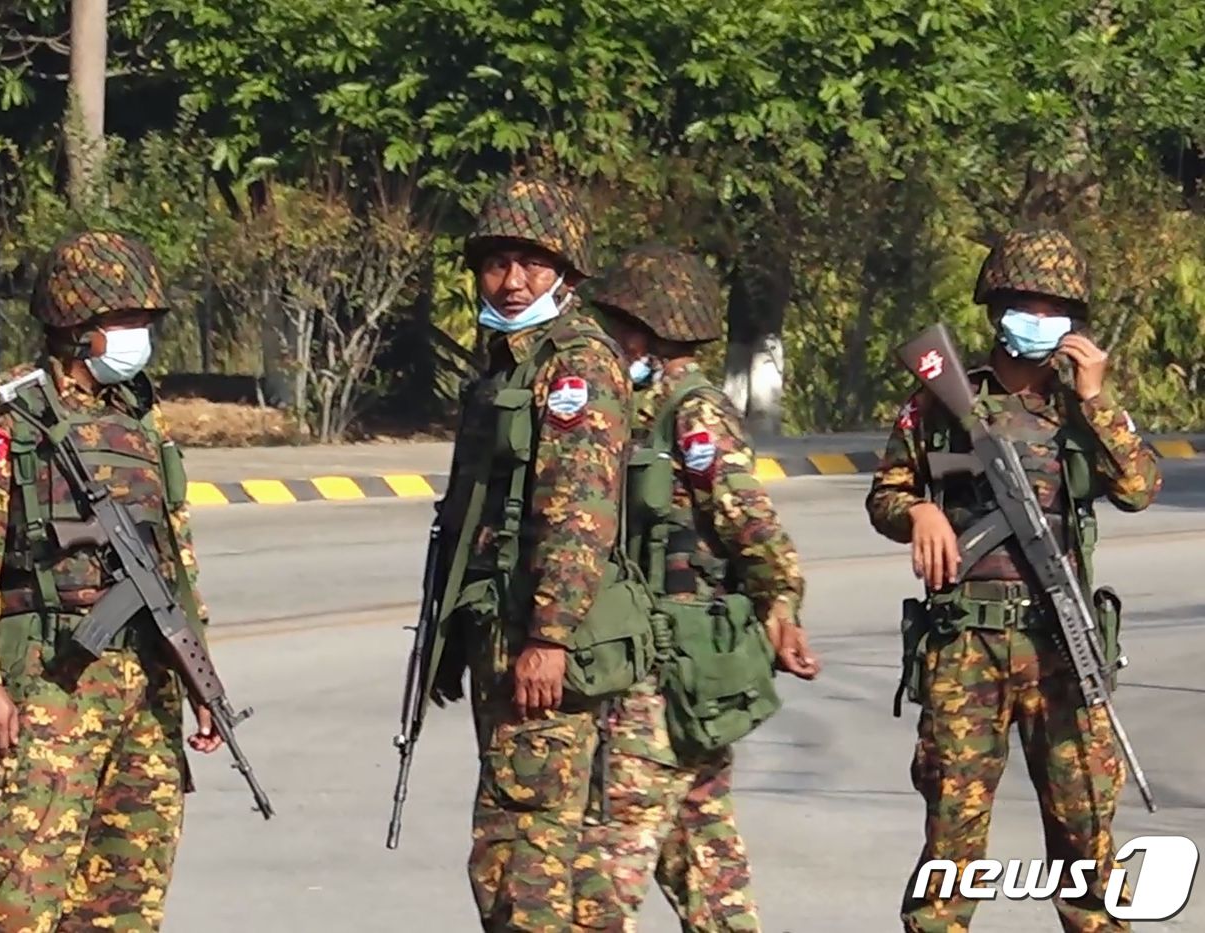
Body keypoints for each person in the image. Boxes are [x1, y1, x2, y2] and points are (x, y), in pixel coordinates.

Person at [866, 227, 1163, 933]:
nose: (1037, 318)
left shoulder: (1080, 407)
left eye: (1053, 307)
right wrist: (919, 515)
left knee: (1087, 835)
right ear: (995, 308)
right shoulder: (944, 396)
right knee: (952, 841)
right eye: (1023, 303)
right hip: (966, 645)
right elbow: (886, 493)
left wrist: (1095, 400)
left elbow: (1139, 487)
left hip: (1061, 645)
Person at [0, 230, 224, 932]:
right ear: (78, 328)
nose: (142, 336)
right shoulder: (1, 419)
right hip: (48, 683)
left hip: (146, 689)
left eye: (147, 323)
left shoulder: (142, 425)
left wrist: (200, 674)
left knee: (124, 897)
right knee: (13, 892)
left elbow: (174, 559)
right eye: (128, 322)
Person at [570, 243, 819, 932]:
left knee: (601, 875)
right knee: (706, 857)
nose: (604, 335)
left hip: (664, 674)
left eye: (614, 323)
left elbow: (751, 522)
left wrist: (782, 601)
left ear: (645, 330)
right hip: (670, 671)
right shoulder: (630, 404)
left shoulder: (689, 411)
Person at [426, 176, 640, 932]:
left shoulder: (573, 365)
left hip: (542, 643)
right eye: (496, 263)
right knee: (556, 855)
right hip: (498, 632)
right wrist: (451, 639)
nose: (511, 281)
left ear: (568, 273)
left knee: (520, 855)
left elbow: (578, 512)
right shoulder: (505, 365)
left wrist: (548, 636)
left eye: (531, 263)